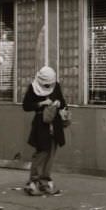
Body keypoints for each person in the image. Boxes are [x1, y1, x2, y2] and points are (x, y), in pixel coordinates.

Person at [22, 66, 68, 196]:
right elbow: (26, 106)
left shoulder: (56, 86)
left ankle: (45, 181)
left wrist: (58, 103)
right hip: (41, 124)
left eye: (50, 84)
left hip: (54, 123)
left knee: (51, 153)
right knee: (41, 152)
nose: (49, 86)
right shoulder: (33, 88)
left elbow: (63, 103)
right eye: (46, 84)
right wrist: (41, 104)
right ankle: (34, 181)